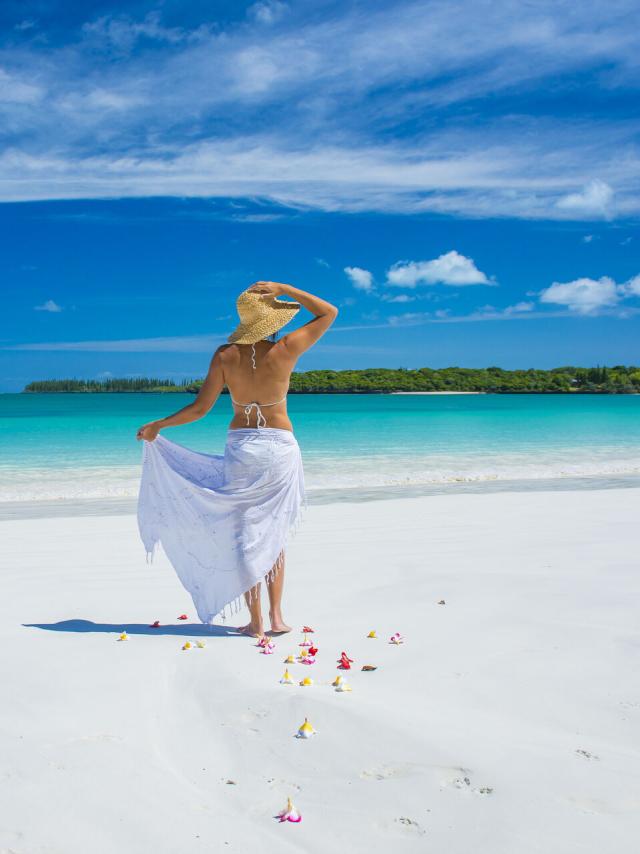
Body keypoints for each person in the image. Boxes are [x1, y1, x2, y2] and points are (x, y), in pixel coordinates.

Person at [135, 281, 338, 636]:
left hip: (243, 449)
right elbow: (328, 312)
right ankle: (277, 617)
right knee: (273, 532)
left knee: (244, 535)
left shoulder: (225, 355)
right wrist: (285, 288)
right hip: (279, 448)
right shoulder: (287, 348)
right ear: (273, 321)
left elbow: (200, 409)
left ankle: (256, 621)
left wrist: (159, 425)